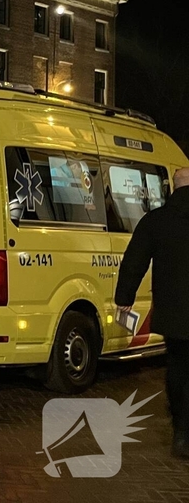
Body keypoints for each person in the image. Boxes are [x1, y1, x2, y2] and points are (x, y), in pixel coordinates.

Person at [116, 166, 189, 459]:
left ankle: (181, 432)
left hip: (173, 312)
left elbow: (135, 260)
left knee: (177, 367)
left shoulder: (156, 221)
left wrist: (124, 298)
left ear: (173, 187)